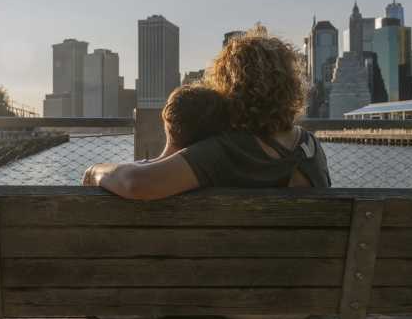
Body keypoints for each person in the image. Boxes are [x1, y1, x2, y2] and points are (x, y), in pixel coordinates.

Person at [82, 32, 331, 198]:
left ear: (227, 87)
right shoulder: (312, 148)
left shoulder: (228, 151)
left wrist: (95, 171)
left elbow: (135, 183)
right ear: (290, 87)